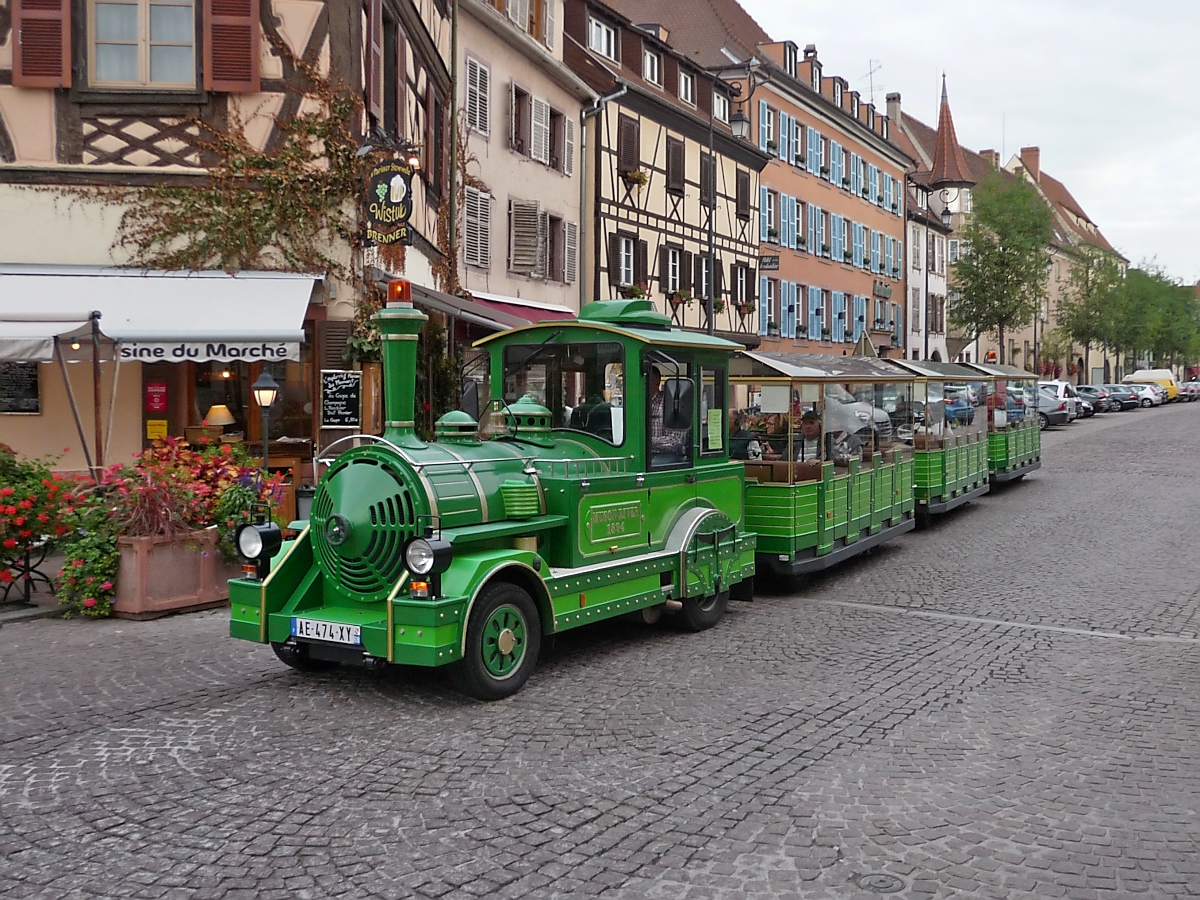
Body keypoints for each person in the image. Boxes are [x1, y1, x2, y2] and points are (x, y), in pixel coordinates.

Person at [649, 369, 689, 458]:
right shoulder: (636, 403)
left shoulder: (670, 403)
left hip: (668, 455)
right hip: (641, 454)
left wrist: (647, 441)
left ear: (656, 381)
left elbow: (677, 440)